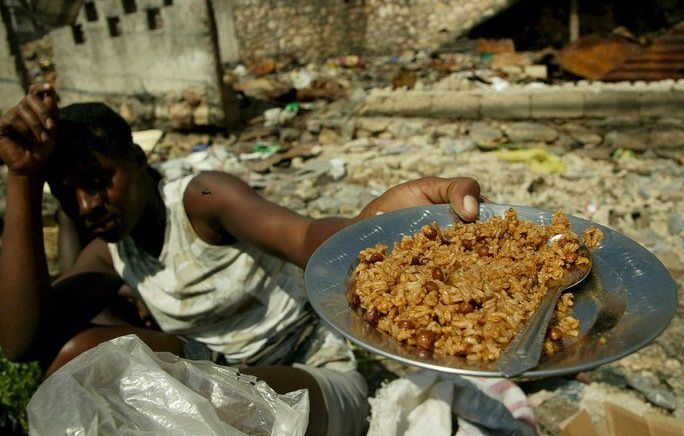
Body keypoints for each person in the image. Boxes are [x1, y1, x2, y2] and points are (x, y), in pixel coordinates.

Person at [0, 84, 483, 435]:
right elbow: (23, 340)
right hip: (222, 378)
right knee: (77, 356)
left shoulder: (202, 199)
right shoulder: (111, 256)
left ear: (136, 158)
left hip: (313, 382)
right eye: (68, 194)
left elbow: (303, 235)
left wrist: (370, 223)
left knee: (211, 403)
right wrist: (22, 178)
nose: (87, 205)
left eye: (100, 179)